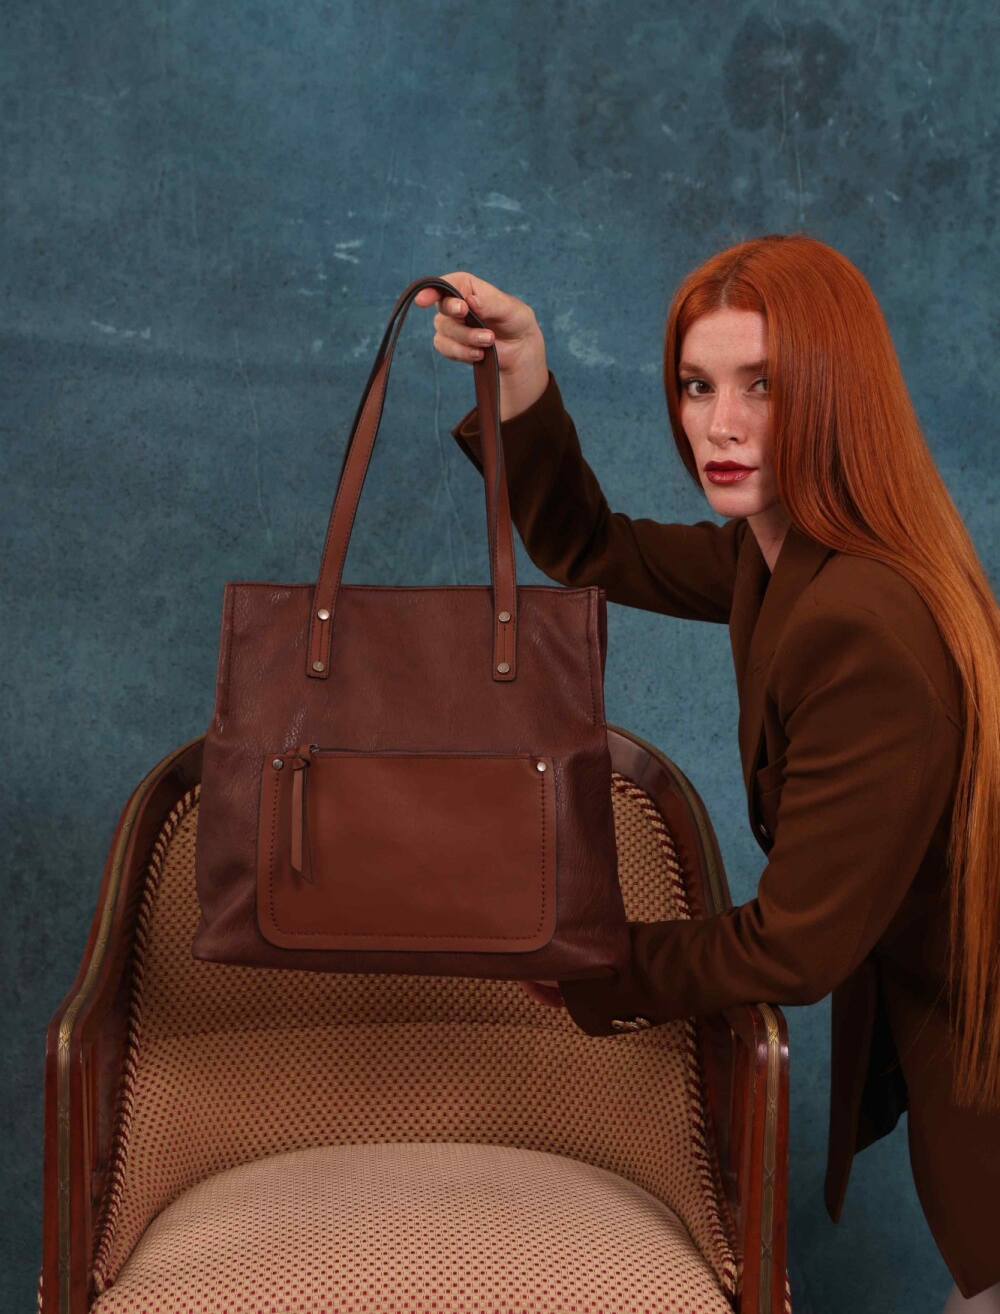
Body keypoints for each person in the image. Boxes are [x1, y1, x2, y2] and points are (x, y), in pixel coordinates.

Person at [414, 234, 1000, 1312]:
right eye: (697, 385)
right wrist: (521, 377)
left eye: (762, 386)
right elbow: (592, 547)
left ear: (837, 398)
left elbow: (795, 946)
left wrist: (592, 964)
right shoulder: (782, 556)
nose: (719, 425)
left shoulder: (862, 623)